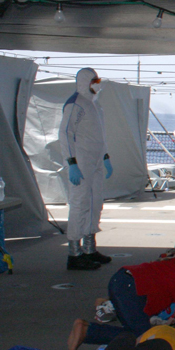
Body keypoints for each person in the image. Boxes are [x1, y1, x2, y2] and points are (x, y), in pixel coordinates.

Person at [67, 237, 175, 350]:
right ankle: (87, 332)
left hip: (123, 279)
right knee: (143, 338)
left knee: (138, 332)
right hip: (132, 288)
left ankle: (87, 330)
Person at [59, 68, 114, 270]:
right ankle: (74, 252)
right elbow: (65, 134)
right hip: (81, 162)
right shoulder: (75, 105)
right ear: (85, 82)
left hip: (96, 161)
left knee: (95, 203)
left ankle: (90, 248)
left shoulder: (94, 105)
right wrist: (71, 162)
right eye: (94, 80)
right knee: (80, 204)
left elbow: (100, 135)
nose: (97, 84)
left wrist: (105, 156)